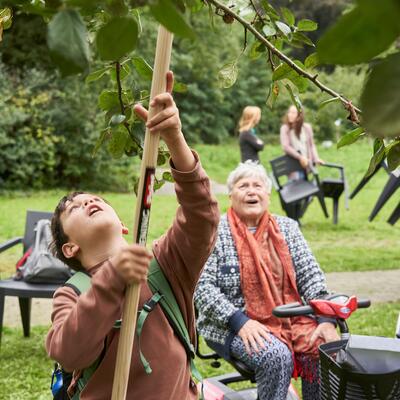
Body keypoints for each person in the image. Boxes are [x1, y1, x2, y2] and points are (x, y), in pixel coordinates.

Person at [46, 71, 219, 400]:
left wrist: (174, 139)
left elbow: (202, 217)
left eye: (95, 199)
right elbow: (68, 351)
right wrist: (112, 277)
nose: (89, 201)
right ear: (70, 248)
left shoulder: (163, 264)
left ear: (124, 225)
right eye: (75, 208)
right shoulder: (72, 295)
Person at [194, 161, 339, 400]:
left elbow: (312, 278)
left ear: (267, 195)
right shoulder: (214, 230)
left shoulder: (288, 228)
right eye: (243, 186)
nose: (251, 191)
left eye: (257, 185)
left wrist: (325, 318)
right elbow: (202, 287)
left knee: (321, 347)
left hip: (289, 319)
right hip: (229, 325)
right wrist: (240, 322)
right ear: (231, 195)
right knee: (275, 356)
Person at [280, 105, 324, 173]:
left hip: (308, 164)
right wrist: (300, 157)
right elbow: (286, 147)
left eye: (293, 113)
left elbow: (312, 145)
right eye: (289, 112)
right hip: (294, 166)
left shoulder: (307, 127)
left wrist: (316, 158)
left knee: (312, 182)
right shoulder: (285, 128)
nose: (290, 115)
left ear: (299, 115)